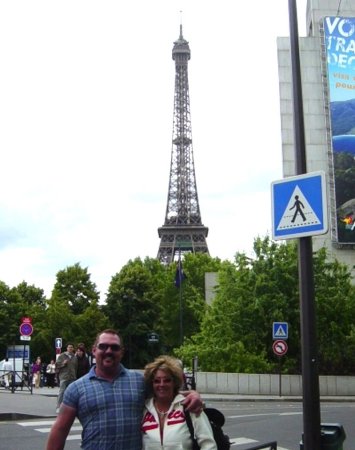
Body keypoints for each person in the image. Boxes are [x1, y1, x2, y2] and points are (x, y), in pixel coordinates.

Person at [46, 329, 203, 450]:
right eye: (103, 347)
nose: (108, 351)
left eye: (114, 347)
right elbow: (60, 430)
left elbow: (167, 395)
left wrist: (193, 395)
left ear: (121, 352)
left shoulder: (139, 381)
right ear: (94, 351)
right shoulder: (76, 388)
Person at [142, 355, 216, 449]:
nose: (161, 385)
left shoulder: (190, 406)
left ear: (175, 382)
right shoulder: (144, 409)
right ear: (151, 383)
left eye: (167, 380)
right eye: (157, 381)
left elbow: (209, 445)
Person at [55, 343, 77, 413]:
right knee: (62, 391)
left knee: (72, 393)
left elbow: (76, 367)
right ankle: (58, 406)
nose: (70, 348)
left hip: (72, 377)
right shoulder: (62, 356)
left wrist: (74, 375)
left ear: (73, 349)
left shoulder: (74, 357)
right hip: (64, 376)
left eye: (71, 347)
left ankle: (69, 407)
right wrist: (63, 364)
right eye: (69, 347)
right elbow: (57, 365)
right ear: (67, 348)